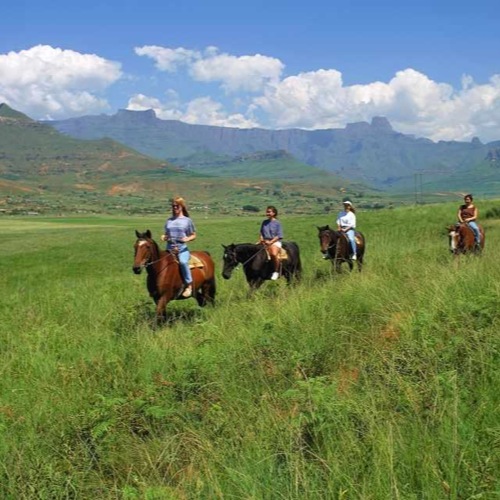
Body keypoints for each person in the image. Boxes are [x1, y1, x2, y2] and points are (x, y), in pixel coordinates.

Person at [161, 196, 196, 297]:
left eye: (177, 206)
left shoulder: (187, 220)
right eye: (173, 206)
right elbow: (167, 234)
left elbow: (193, 234)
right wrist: (164, 236)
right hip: (169, 249)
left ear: (182, 206)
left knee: (183, 262)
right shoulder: (169, 221)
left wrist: (188, 239)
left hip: (181, 249)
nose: (175, 208)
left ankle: (189, 285)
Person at [258, 205, 283, 280]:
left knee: (273, 254)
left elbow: (279, 235)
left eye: (269, 212)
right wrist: (261, 239)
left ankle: (276, 271)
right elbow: (261, 232)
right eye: (267, 212)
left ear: (274, 213)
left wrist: (270, 242)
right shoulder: (264, 222)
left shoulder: (277, 223)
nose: (267, 213)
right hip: (264, 241)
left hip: (274, 242)